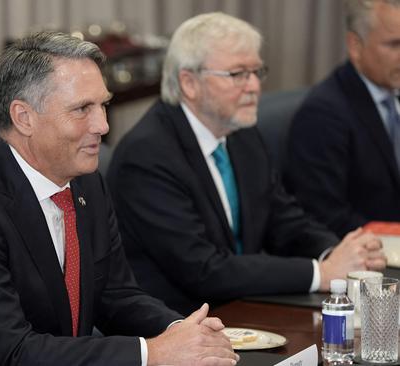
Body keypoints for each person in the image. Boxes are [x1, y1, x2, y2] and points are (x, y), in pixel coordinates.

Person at [0, 31, 239, 366]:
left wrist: (181, 331)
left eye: (103, 105)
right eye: (82, 109)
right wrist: (154, 354)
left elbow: (115, 295)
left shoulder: (86, 184)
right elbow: (12, 353)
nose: (103, 125)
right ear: (24, 117)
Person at [106, 12, 387, 315]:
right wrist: (321, 273)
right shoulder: (147, 157)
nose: (254, 86)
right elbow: (204, 270)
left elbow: (284, 221)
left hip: (244, 308)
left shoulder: (241, 133)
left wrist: (340, 254)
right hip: (180, 323)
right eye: (238, 74)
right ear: (189, 82)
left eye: (256, 72)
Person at [285, 0, 400, 237]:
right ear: (355, 45)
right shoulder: (322, 114)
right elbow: (323, 215)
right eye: (395, 44)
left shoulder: (393, 89)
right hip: (365, 260)